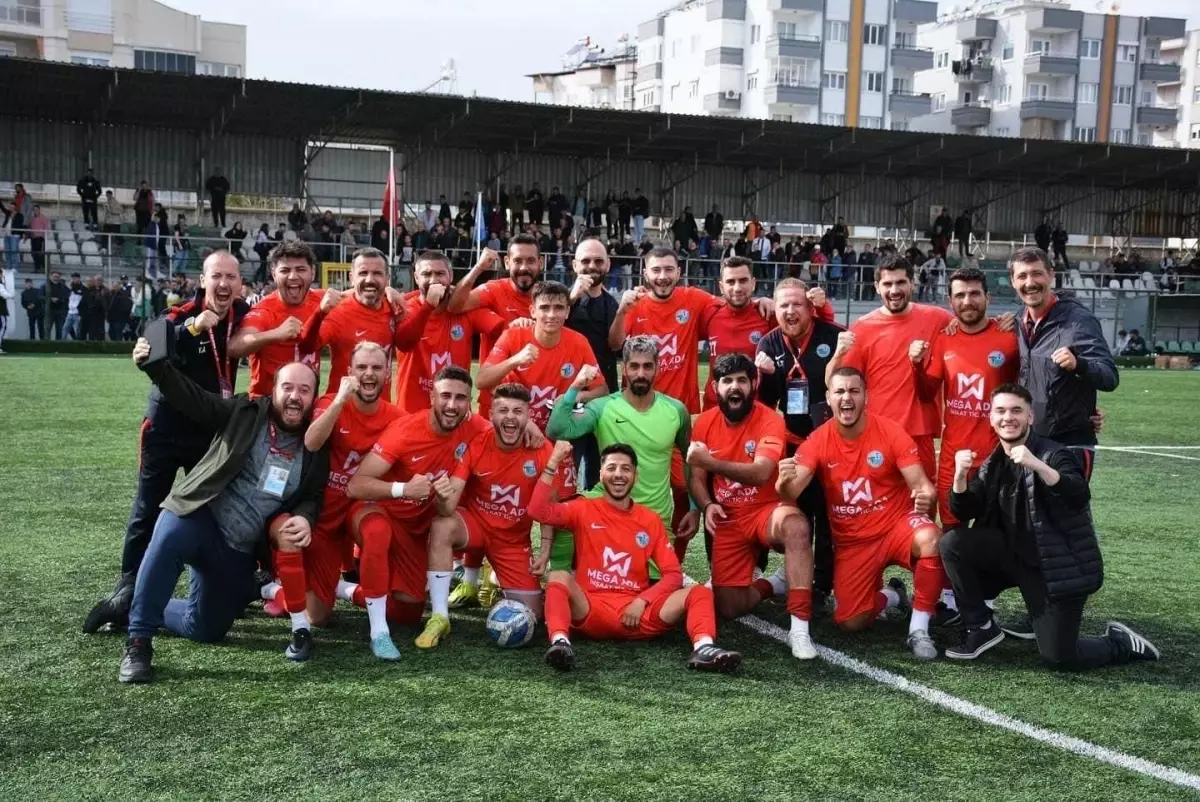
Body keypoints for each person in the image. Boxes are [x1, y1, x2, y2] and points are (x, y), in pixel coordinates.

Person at [117, 349, 329, 683]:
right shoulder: (245, 412)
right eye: (288, 387)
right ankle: (138, 641)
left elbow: (313, 497)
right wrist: (156, 366)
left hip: (237, 549)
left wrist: (305, 517)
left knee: (204, 629)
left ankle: (134, 602)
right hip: (199, 517)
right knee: (170, 534)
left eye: (304, 390)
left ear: (313, 398)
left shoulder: (315, 446)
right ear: (273, 391)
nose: (294, 396)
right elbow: (196, 400)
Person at [84, 252, 250, 634]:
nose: (223, 284)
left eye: (231, 277)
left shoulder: (243, 315)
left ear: (240, 283)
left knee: (208, 510)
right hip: (165, 430)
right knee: (147, 509)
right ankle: (127, 592)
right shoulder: (183, 314)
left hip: (209, 434)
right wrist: (189, 329)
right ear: (203, 280)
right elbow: (153, 339)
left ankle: (215, 590)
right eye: (216, 277)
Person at [940, 384, 1160, 667]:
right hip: (1013, 557)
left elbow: (1078, 493)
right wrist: (959, 476)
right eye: (1001, 411)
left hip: (1055, 568)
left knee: (1060, 657)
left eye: (1017, 411)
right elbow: (965, 510)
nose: (1008, 417)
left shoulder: (1053, 453)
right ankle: (981, 627)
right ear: (991, 418)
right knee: (953, 543)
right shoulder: (994, 461)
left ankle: (1118, 642)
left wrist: (1038, 466)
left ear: (1030, 417)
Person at [530, 441, 742, 674]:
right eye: (611, 468)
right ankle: (560, 643)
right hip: (592, 610)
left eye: (625, 469)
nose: (618, 475)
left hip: (637, 616)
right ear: (600, 475)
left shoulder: (649, 520)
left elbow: (673, 575)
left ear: (635, 476)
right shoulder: (583, 509)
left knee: (699, 592)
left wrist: (642, 601)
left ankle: (704, 648)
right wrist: (552, 463)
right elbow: (537, 511)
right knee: (558, 577)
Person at [778, 368, 945, 660]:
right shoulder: (818, 440)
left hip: (895, 527)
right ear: (828, 398)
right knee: (849, 621)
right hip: (854, 542)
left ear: (866, 396)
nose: (847, 398)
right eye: (840, 392)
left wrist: (925, 496)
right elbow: (791, 492)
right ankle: (893, 595)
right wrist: (782, 483)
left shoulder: (891, 431)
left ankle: (919, 630)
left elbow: (922, 486)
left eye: (854, 391)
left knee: (931, 538)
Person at [259, 342, 402, 647]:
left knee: (378, 533)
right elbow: (311, 442)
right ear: (349, 373)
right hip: (319, 518)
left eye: (377, 368)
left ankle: (374, 625)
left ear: (387, 374)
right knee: (318, 617)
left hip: (355, 511)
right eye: (361, 367)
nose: (369, 374)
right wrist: (340, 400)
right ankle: (271, 588)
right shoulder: (329, 402)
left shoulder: (396, 417)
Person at [343, 366, 491, 659]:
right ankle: (378, 633)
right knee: (377, 532)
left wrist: (531, 429)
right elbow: (355, 485)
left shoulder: (475, 428)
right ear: (432, 396)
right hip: (378, 510)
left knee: (409, 612)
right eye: (445, 396)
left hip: (414, 529)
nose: (452, 405)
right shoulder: (405, 430)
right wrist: (402, 489)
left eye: (460, 398)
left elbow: (502, 427)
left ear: (469, 402)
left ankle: (343, 589)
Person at [415, 383, 576, 648]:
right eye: (503, 410)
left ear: (529, 416)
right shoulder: (477, 443)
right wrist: (443, 497)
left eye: (518, 411)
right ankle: (439, 617)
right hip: (476, 527)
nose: (510, 417)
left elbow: (550, 505)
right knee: (442, 524)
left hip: (513, 541)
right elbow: (449, 505)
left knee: (533, 616)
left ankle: (493, 579)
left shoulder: (542, 450)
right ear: (491, 414)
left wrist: (545, 550)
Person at [688, 354, 818, 659]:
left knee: (796, 526)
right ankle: (775, 583)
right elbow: (696, 478)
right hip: (728, 519)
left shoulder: (770, 419)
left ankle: (799, 629)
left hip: (766, 511)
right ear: (716, 387)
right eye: (728, 381)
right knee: (729, 607)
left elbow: (761, 473)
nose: (735, 387)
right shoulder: (704, 422)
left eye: (742, 380)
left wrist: (710, 461)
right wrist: (706, 504)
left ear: (753, 384)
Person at [547, 336, 697, 570]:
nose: (641, 373)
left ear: (657, 368)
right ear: (624, 368)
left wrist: (694, 507)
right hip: (607, 504)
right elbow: (557, 428)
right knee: (564, 520)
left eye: (647, 366)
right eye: (634, 366)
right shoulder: (603, 406)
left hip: (653, 516)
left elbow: (691, 461)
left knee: (654, 591)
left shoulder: (676, 411)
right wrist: (575, 388)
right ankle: (562, 583)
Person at [754, 278, 844, 609]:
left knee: (831, 514)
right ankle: (796, 578)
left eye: (797, 304)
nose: (790, 311)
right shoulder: (769, 343)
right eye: (783, 306)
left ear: (810, 307)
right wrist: (763, 377)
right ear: (774, 309)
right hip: (792, 445)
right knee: (797, 513)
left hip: (832, 444)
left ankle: (824, 583)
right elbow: (764, 405)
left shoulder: (833, 336)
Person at [825, 255, 956, 481]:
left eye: (901, 282)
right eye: (887, 284)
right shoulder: (862, 328)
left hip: (919, 432)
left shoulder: (939, 319)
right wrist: (837, 354)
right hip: (877, 432)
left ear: (912, 284)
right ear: (877, 287)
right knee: (879, 503)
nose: (894, 290)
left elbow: (972, 327)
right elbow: (834, 382)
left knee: (922, 502)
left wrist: (1002, 321)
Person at [915, 266, 1019, 533]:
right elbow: (927, 393)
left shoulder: (1009, 338)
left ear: (988, 298)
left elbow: (1034, 384)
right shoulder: (944, 340)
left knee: (998, 535)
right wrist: (915, 365)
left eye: (975, 294)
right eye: (960, 295)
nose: (967, 301)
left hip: (998, 458)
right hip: (954, 457)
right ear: (951, 301)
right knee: (952, 533)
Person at [1012, 247, 1117, 457]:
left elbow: (1109, 377)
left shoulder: (1079, 321)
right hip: (1027, 441)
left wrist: (1079, 364)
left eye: (1037, 273)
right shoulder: (1017, 321)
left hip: (1069, 446)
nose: (1030, 282)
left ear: (1052, 275)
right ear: (1013, 282)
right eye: (1022, 276)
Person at [701, 257, 833, 410]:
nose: (737, 288)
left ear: (753, 283)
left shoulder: (768, 314)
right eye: (731, 282)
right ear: (721, 287)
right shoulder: (709, 315)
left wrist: (823, 306)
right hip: (714, 407)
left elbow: (818, 327)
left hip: (756, 409)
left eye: (743, 281)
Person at [477, 280, 607, 432]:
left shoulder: (579, 342)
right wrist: (515, 360)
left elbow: (602, 390)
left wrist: (578, 396)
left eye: (558, 308)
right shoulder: (513, 335)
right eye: (544, 308)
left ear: (567, 312)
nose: (551, 315)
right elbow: (481, 381)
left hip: (555, 431)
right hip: (515, 429)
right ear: (532, 311)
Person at [296, 247, 428, 392]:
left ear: (387, 278)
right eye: (363, 273)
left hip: (379, 409)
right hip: (344, 408)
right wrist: (319, 313)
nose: (370, 279)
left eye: (377, 273)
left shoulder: (394, 306)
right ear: (352, 278)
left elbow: (429, 291)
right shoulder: (339, 312)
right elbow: (306, 347)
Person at [395, 250, 510, 414]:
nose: (434, 280)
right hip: (412, 414)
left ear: (450, 276)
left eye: (440, 273)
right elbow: (404, 342)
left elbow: (505, 332)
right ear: (416, 278)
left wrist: (519, 324)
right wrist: (428, 305)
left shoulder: (466, 310)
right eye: (426, 274)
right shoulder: (405, 309)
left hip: (455, 415)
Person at [445, 235, 544, 415]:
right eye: (517, 261)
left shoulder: (547, 300)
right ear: (507, 262)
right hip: (494, 400)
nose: (524, 267)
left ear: (541, 263)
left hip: (535, 402)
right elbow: (454, 306)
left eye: (530, 261)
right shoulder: (494, 290)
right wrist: (479, 268)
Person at [230, 241, 324, 397]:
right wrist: (275, 334)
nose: (293, 276)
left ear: (312, 272)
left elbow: (353, 295)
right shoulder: (264, 310)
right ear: (274, 274)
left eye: (300, 269)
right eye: (285, 270)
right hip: (267, 406)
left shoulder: (321, 301)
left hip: (307, 406)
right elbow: (235, 347)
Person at [565, 237, 621, 490]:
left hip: (604, 401)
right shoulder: (561, 302)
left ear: (607, 265)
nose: (592, 266)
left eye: (599, 261)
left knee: (599, 472)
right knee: (567, 466)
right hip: (570, 400)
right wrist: (573, 296)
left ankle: (595, 524)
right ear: (575, 265)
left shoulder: (612, 305)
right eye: (585, 261)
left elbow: (615, 345)